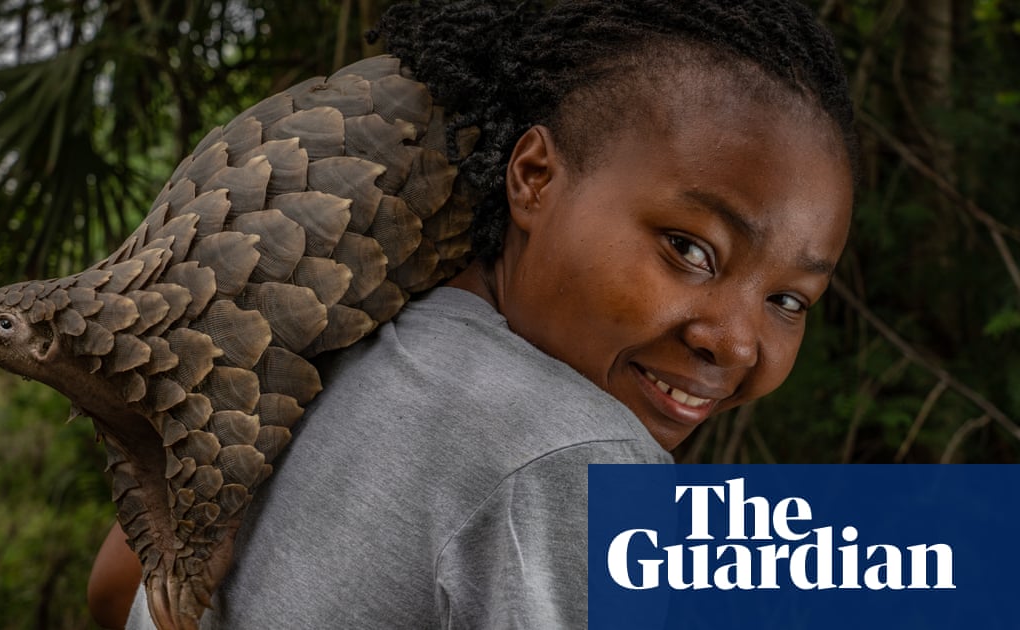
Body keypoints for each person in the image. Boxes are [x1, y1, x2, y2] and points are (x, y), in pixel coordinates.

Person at [108, 0, 857, 627]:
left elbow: (115, 586)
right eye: (690, 250)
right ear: (533, 176)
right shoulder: (573, 459)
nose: (735, 343)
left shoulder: (313, 350)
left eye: (788, 300)